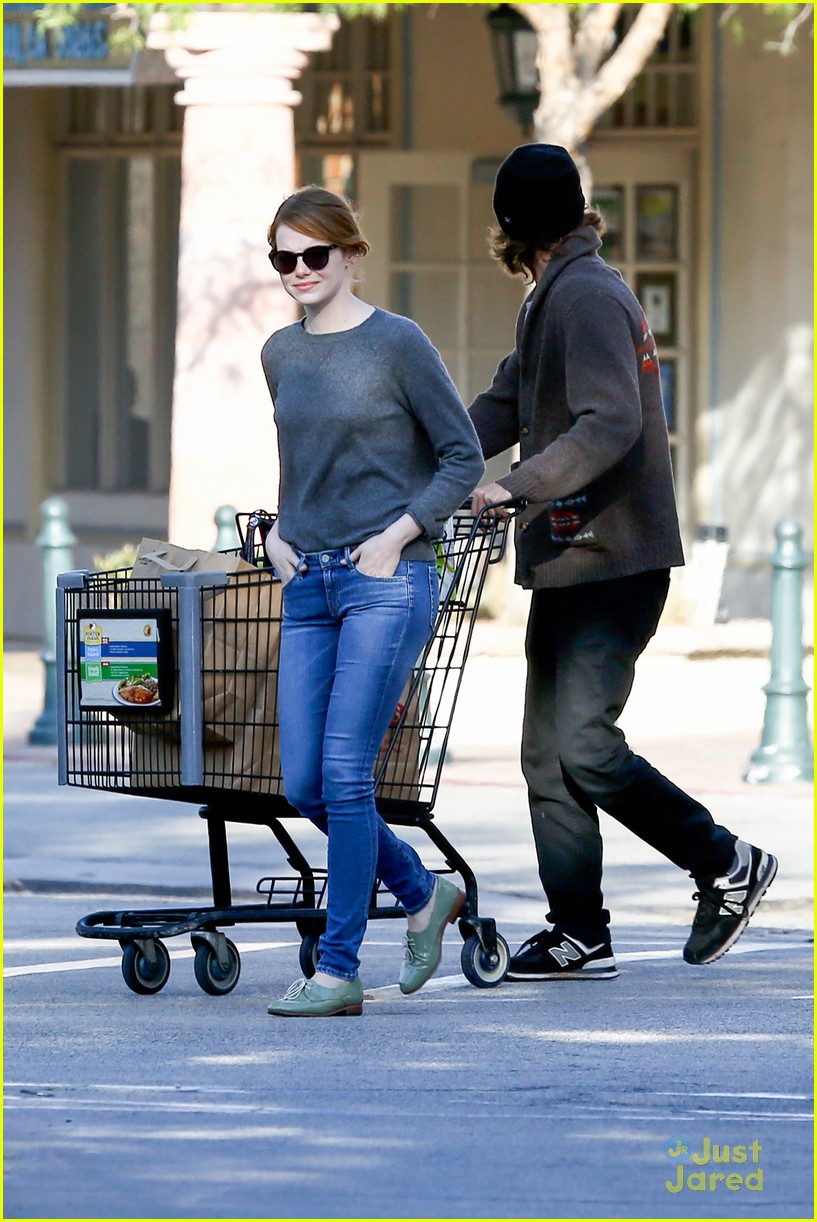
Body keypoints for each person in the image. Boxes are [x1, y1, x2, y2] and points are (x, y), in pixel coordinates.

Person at [469, 144, 777, 981]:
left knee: (585, 745)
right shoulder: (555, 295)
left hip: (615, 557)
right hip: (572, 557)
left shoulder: (588, 297)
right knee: (546, 754)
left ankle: (725, 862)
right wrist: (432, 459)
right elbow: (503, 402)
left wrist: (512, 488)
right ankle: (580, 932)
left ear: (506, 225)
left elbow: (610, 424)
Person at [261, 185, 485, 1017]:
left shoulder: (398, 343)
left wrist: (396, 538)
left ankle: (339, 969)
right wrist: (278, 536)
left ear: (351, 254)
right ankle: (422, 893)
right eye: (283, 258)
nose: (298, 271)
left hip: (387, 582)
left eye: (314, 255)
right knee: (304, 784)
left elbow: (461, 458)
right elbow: (302, 464)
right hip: (307, 581)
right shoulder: (279, 353)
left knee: (348, 778)